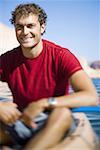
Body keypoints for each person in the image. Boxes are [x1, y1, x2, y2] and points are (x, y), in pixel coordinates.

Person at [0, 3, 98, 150]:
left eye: (30, 26)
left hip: (53, 121)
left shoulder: (60, 55)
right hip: (22, 121)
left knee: (62, 113)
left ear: (42, 27)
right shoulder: (7, 60)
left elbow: (91, 96)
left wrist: (43, 103)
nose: (24, 32)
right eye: (19, 27)